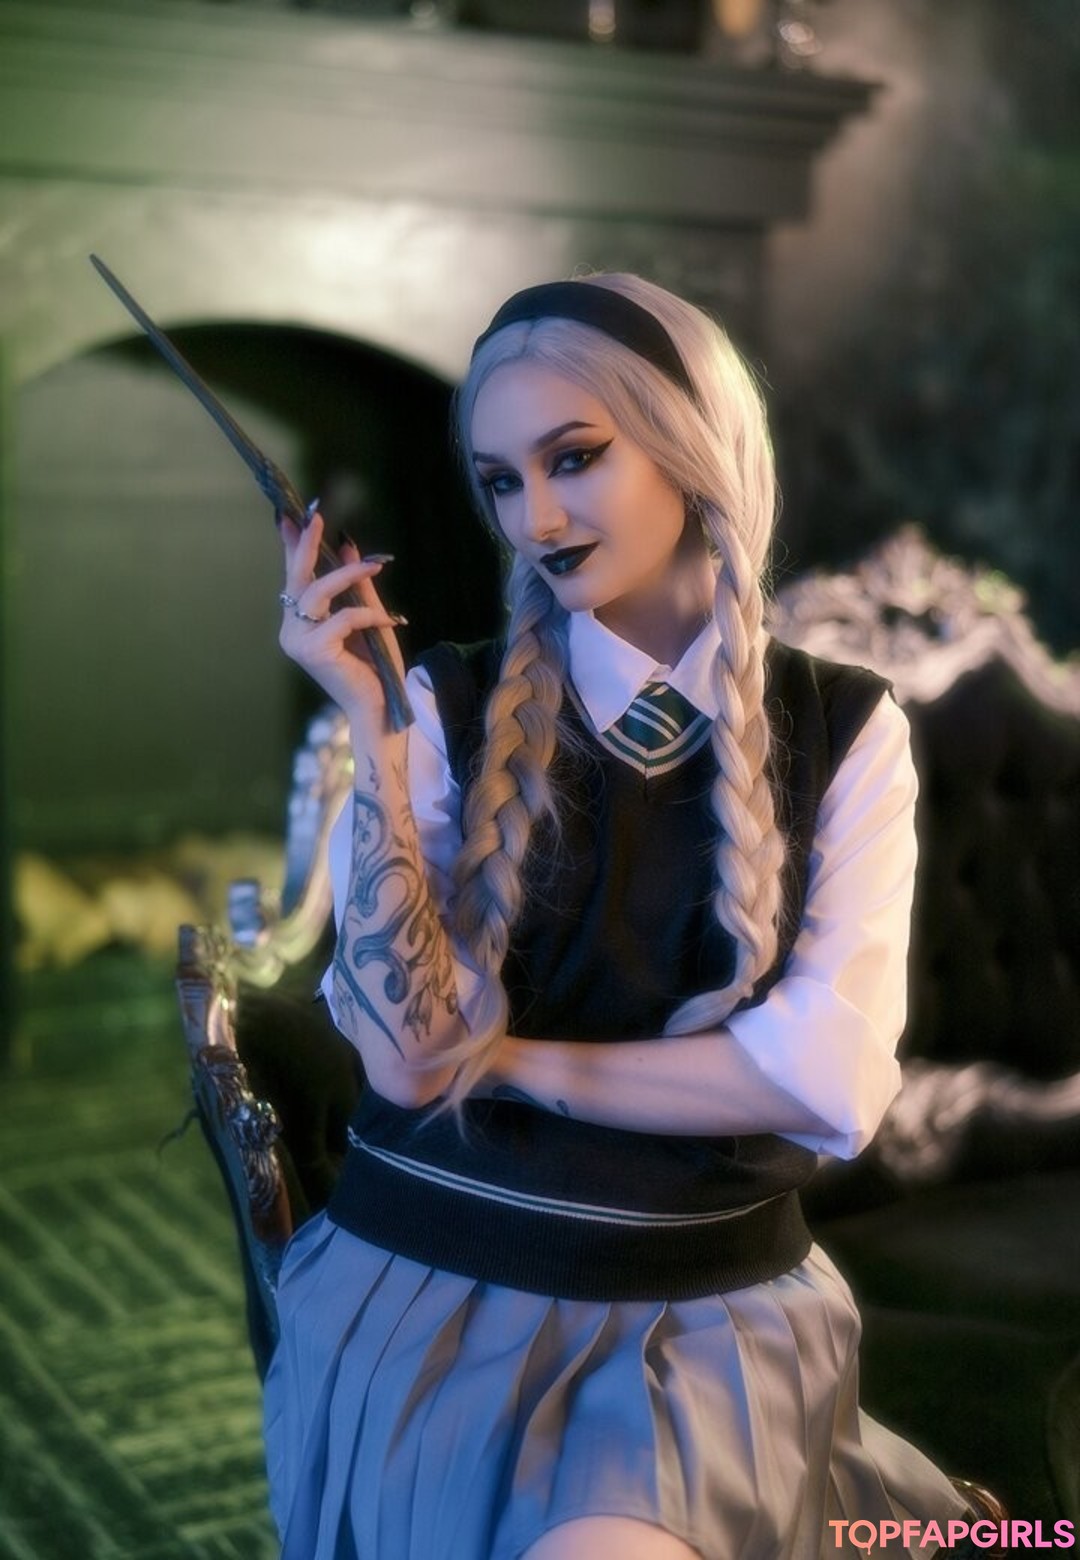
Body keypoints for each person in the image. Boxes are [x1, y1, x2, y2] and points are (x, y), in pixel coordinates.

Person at [264, 273, 974, 1559]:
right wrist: (375, 735)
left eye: (575, 458)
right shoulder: (440, 706)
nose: (534, 518)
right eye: (500, 481)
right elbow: (409, 1063)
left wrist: (512, 1062)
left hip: (706, 1307)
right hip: (439, 1287)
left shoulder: (847, 729)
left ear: (692, 447)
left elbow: (825, 1076)